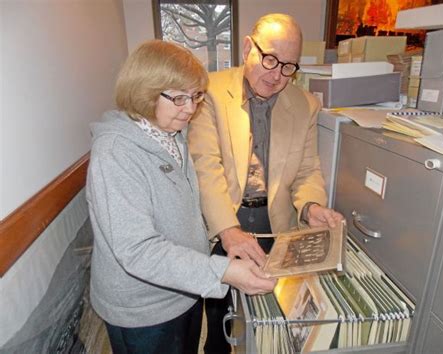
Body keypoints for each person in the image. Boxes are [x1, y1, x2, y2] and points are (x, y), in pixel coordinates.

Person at [86, 40, 276, 354]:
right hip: (143, 310)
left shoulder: (171, 133)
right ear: (144, 91)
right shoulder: (115, 154)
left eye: (196, 96)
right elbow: (137, 250)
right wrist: (222, 272)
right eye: (178, 98)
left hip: (185, 289)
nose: (190, 109)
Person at [188, 13, 344, 353]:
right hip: (223, 220)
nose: (276, 75)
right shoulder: (209, 91)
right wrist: (228, 231)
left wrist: (311, 206)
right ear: (248, 48)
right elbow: (206, 169)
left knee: (269, 315)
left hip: (276, 223)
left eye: (288, 67)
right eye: (270, 59)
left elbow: (306, 171)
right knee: (221, 316)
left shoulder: (305, 105)